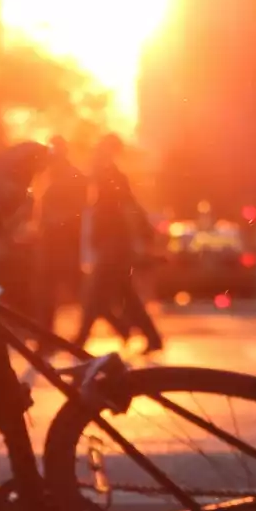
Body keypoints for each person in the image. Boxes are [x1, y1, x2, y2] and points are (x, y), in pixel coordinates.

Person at [78, 134, 164, 354]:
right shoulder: (106, 176)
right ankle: (145, 335)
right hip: (112, 244)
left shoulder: (111, 176)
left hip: (114, 245)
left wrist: (144, 231)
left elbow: (129, 204)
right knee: (123, 294)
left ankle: (81, 339)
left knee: (98, 294)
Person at [34, 137, 92, 331]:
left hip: (67, 244)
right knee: (45, 294)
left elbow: (80, 209)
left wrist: (58, 220)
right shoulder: (48, 175)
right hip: (49, 243)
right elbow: (40, 207)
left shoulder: (74, 177)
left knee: (80, 291)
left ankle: (119, 325)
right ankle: (45, 337)